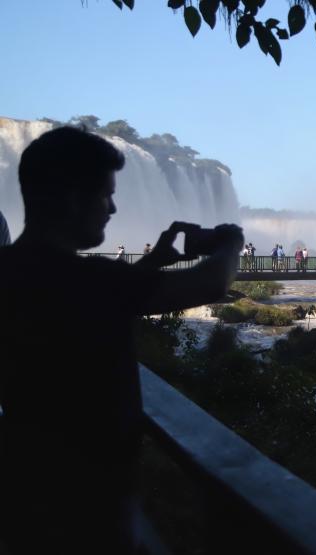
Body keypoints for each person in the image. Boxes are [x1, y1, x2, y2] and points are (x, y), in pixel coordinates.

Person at [0, 126, 244, 554]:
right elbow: (209, 283)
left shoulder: (13, 271)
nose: (113, 208)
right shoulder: (87, 281)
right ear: (74, 198)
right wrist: (231, 242)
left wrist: (155, 259)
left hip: (27, 494)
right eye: (106, 195)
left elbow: (102, 293)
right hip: (85, 512)